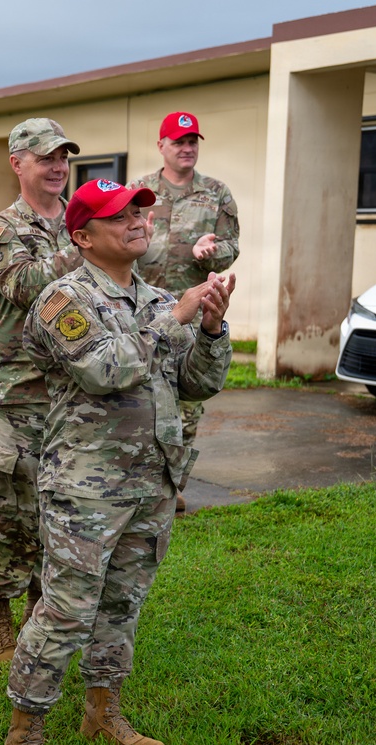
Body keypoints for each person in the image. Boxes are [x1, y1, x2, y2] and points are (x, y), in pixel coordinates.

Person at [0, 178, 235, 745]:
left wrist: (210, 329)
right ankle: (23, 738)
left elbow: (196, 383)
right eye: (117, 216)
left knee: (122, 604)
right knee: (65, 610)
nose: (136, 221)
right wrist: (178, 315)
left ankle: (103, 714)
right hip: (86, 487)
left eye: (139, 212)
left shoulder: (154, 297)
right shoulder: (60, 300)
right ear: (82, 236)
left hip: (151, 478)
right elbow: (108, 368)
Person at [0, 118, 83, 662]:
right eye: (46, 158)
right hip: (20, 390)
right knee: (8, 506)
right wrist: (82, 249)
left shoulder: (80, 222)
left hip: (76, 389)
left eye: (63, 157)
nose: (58, 166)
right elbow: (17, 286)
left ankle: (45, 605)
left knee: (60, 504)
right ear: (17, 163)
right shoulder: (1, 228)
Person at [133, 111, 239, 513]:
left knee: (188, 402)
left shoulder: (217, 193)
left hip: (193, 315)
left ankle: (174, 484)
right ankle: (139, 477)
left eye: (193, 141)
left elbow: (233, 245)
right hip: (142, 312)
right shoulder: (138, 191)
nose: (187, 148)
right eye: (178, 141)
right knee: (141, 393)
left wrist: (211, 251)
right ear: (161, 145)